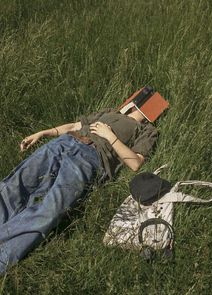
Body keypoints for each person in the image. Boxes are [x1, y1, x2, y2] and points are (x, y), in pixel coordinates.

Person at [0, 100, 159, 273]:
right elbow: (73, 126)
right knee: (15, 186)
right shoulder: (111, 111)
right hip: (62, 143)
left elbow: (135, 163)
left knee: (51, 209)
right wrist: (43, 133)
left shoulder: (148, 130)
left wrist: (109, 136)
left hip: (89, 159)